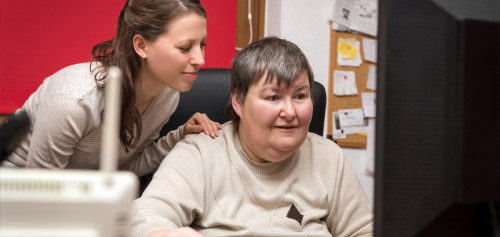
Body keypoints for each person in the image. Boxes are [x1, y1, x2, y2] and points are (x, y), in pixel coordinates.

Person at [131, 37, 373, 237]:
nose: (289, 112)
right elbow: (145, 217)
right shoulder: (200, 153)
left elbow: (365, 231)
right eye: (273, 97)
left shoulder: (329, 157)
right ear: (238, 101)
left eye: (300, 96)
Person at [2, 0, 221, 177]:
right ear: (142, 46)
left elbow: (118, 172)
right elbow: (40, 191)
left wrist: (180, 135)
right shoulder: (73, 102)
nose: (200, 59)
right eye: (185, 47)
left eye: (202, 45)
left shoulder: (167, 94)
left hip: (81, 195)